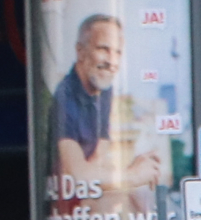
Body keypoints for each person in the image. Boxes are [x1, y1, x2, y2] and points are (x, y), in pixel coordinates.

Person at [51, 14, 168, 191]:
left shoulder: (104, 89)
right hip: (68, 204)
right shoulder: (65, 97)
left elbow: (100, 156)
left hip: (87, 195)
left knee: (141, 196)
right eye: (104, 49)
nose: (112, 61)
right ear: (80, 51)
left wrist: (133, 169)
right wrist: (133, 174)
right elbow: (75, 175)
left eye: (117, 52)